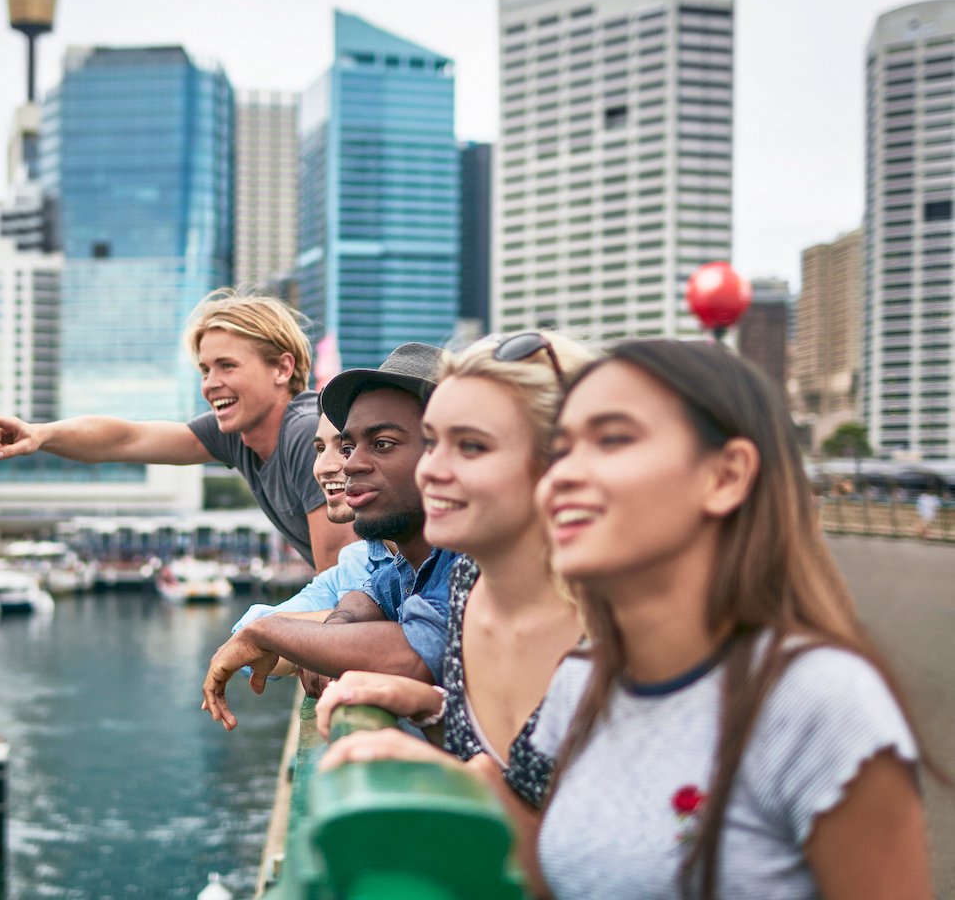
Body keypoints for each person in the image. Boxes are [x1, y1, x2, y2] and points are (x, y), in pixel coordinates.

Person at [526, 340, 932, 899]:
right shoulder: (579, 680)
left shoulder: (820, 700)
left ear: (726, 475)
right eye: (560, 449)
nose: (561, 476)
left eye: (613, 439)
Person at [316, 331, 593, 810]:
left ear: (559, 459)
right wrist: (432, 710)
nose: (431, 470)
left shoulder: (614, 619)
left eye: (470, 446)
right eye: (435, 442)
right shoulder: (473, 583)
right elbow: (524, 787)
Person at [0, 290, 356, 570]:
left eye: (227, 366)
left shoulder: (307, 436)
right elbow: (126, 439)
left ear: (282, 369)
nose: (210, 384)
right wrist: (40, 435)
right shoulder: (236, 436)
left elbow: (343, 581)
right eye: (206, 370)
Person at [202, 343, 461, 730]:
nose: (348, 464)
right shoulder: (410, 565)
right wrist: (333, 634)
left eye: (382, 444)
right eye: (349, 446)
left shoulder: (470, 557)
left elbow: (415, 652)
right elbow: (367, 599)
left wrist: (271, 632)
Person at [231, 412, 396, 635]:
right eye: (319, 449)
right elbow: (249, 632)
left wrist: (319, 637)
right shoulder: (355, 560)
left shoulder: (450, 558)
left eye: (346, 448)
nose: (323, 467)